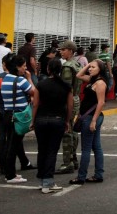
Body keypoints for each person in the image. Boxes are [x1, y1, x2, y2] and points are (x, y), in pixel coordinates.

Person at [31, 58, 73, 194]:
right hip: (58, 120)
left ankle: (42, 179)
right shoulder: (66, 86)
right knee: (52, 151)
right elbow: (70, 106)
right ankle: (48, 182)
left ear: (48, 69)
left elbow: (35, 104)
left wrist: (32, 120)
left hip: (41, 120)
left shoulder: (41, 84)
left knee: (42, 150)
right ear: (60, 70)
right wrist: (67, 121)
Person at [0, 53, 33, 175]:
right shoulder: (19, 80)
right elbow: (33, 93)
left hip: (2, 112)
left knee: (3, 138)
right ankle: (13, 168)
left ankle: (4, 166)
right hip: (16, 113)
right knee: (14, 140)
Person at [70, 59, 107, 185]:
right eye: (89, 67)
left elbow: (101, 102)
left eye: (93, 67)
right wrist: (89, 64)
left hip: (91, 117)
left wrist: (93, 121)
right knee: (96, 146)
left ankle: (81, 177)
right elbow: (78, 75)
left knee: (86, 149)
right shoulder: (93, 80)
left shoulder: (100, 83)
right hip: (89, 117)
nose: (90, 69)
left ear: (100, 70)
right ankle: (98, 174)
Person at [0, 54, 35, 183]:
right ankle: (10, 175)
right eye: (24, 66)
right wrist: (30, 79)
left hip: (8, 114)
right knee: (13, 146)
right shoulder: (20, 80)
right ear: (17, 67)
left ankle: (11, 172)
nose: (25, 68)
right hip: (18, 116)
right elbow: (34, 92)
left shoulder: (6, 79)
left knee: (12, 144)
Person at [56, 40, 82, 174]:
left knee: (67, 131)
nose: (61, 52)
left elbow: (66, 88)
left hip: (69, 100)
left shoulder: (67, 66)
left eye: (63, 49)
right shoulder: (77, 64)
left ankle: (67, 163)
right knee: (73, 131)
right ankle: (74, 159)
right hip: (76, 98)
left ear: (71, 51)